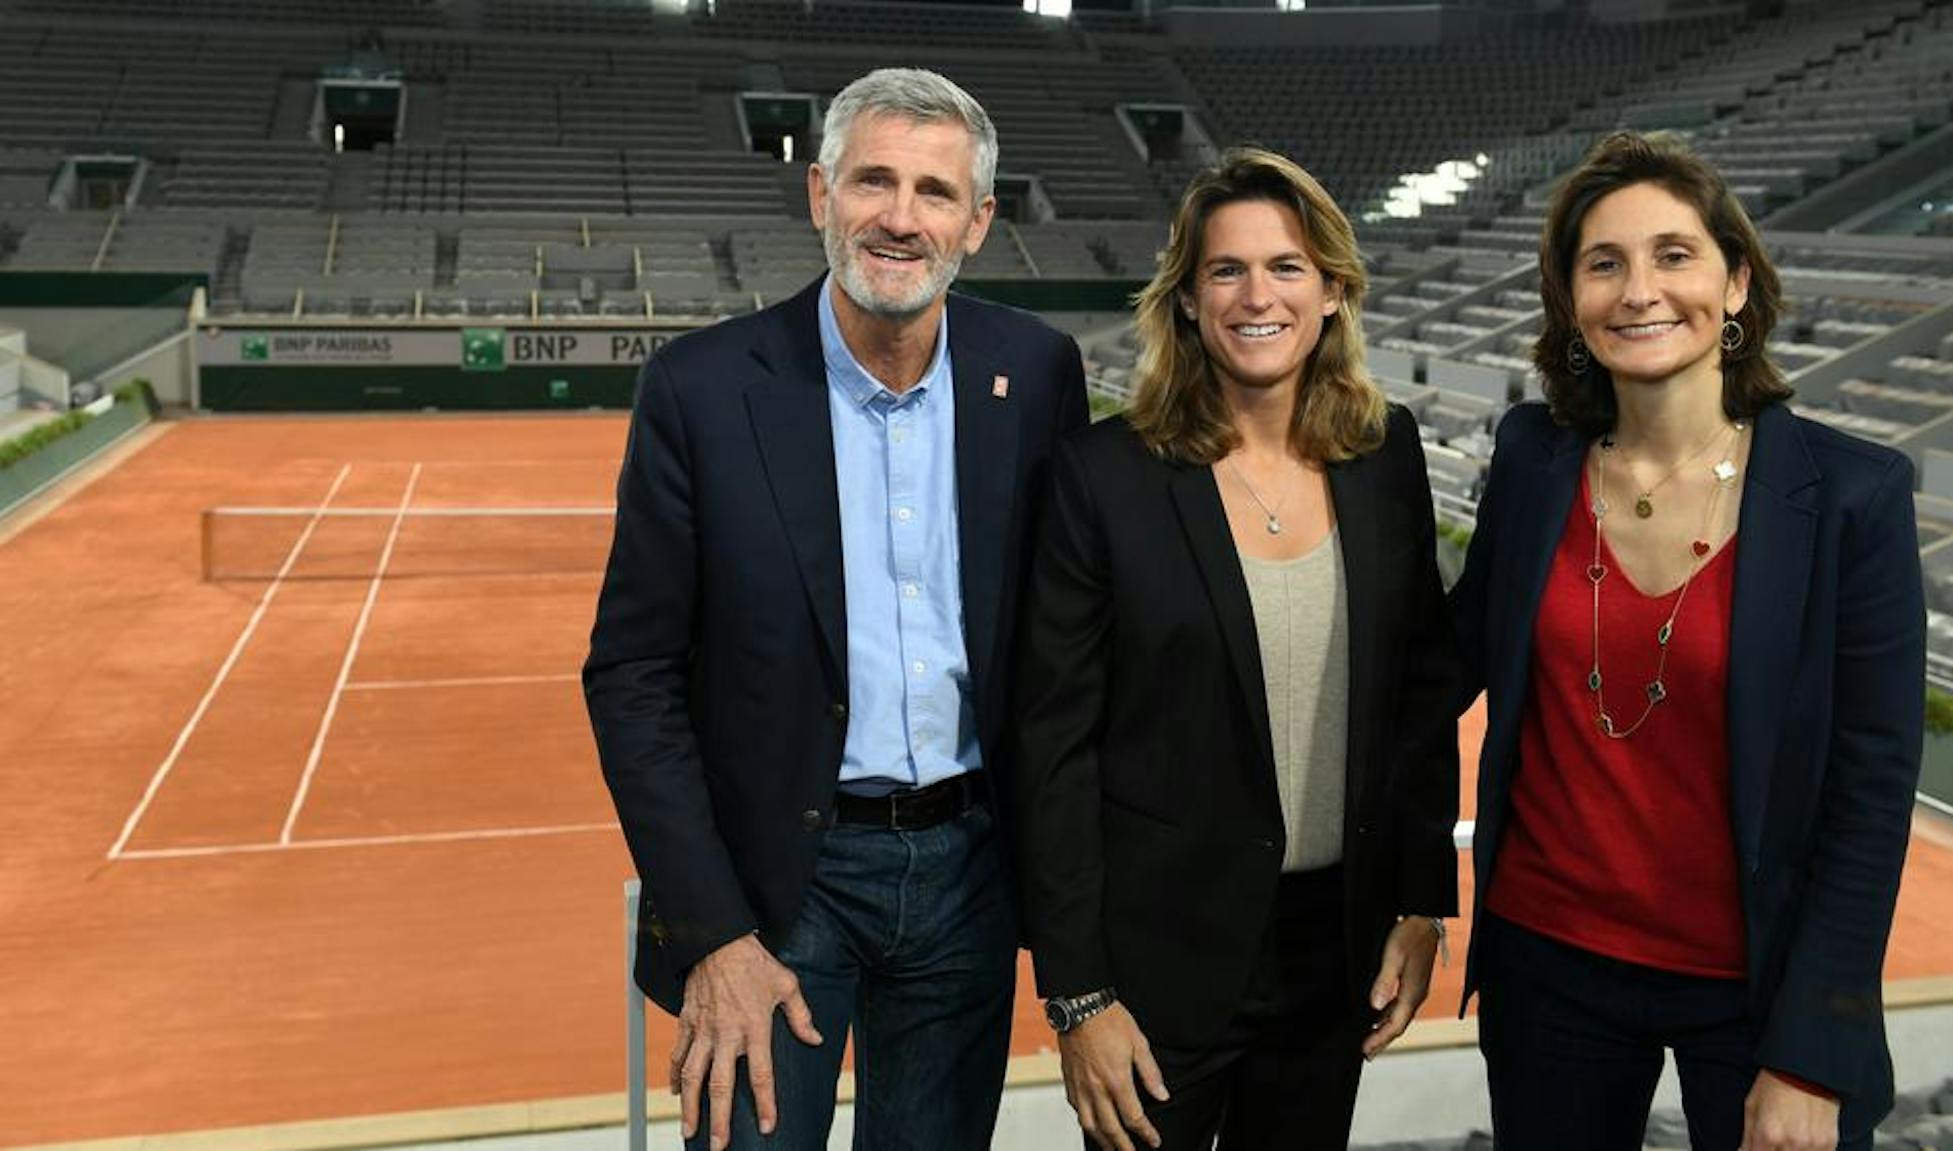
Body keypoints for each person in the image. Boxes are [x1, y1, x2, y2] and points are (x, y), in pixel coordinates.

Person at [584, 67, 1088, 1151]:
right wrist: (713, 931)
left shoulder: (1036, 372)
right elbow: (631, 675)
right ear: (819, 193)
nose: (899, 218)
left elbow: (1064, 645)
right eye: (872, 181)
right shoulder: (700, 388)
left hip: (968, 871)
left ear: (979, 221)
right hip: (775, 889)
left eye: (933, 191)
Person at [1450, 131, 1924, 1151]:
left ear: (1736, 281)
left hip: (1756, 987)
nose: (1638, 291)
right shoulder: (1531, 457)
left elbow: (1870, 792)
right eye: (1602, 262)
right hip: (1548, 963)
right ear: (1569, 299)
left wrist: (1809, 1051)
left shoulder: (1851, 495)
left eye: (1673, 254)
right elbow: (1435, 666)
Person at [1009, 147, 1462, 1151]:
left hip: (1331, 948)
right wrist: (1078, 994)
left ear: (1333, 291)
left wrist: (1422, 900)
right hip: (1157, 961)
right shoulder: (1101, 475)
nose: (1257, 295)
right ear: (1184, 299)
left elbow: (1417, 700)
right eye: (1225, 270)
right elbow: (1051, 748)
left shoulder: (1384, 455)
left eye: (1286, 267)